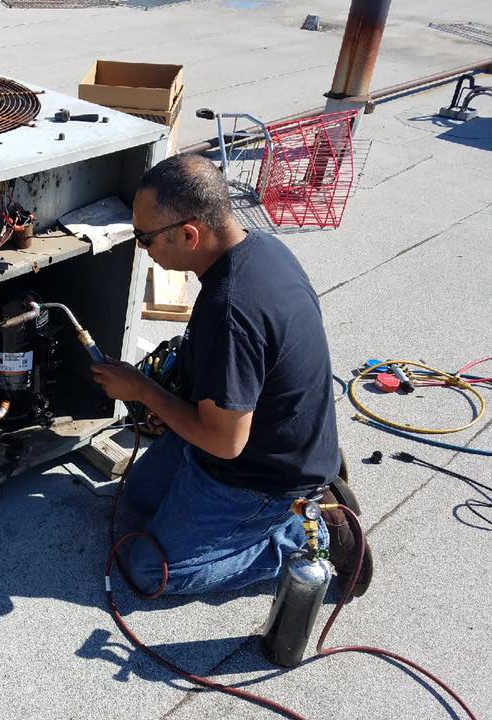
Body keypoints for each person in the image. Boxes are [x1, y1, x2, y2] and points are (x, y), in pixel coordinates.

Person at [91, 154, 372, 597]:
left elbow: (226, 443)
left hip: (263, 474)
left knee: (148, 571)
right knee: (140, 497)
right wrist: (172, 399)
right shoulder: (261, 248)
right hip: (262, 432)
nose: (142, 248)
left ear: (189, 235)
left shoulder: (230, 310)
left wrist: (143, 391)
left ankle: (308, 533)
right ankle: (304, 493)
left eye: (145, 238)